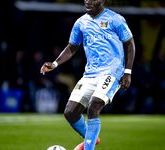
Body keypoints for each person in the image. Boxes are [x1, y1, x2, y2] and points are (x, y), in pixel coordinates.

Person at [40, 0, 135, 149]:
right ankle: (91, 137)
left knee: (94, 105)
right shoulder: (81, 23)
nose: (88, 1)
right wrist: (55, 63)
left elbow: (129, 43)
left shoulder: (115, 19)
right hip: (90, 74)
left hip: (112, 72)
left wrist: (127, 72)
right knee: (70, 112)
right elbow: (72, 47)